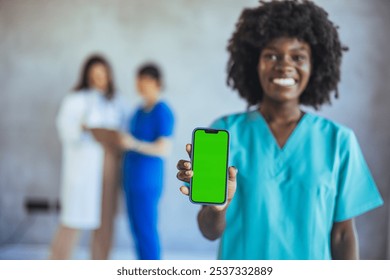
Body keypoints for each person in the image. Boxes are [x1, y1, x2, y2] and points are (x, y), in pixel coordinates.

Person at [176, 0, 384, 260]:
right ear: (254, 62)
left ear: (316, 66)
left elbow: (342, 235)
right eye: (271, 55)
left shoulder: (339, 141)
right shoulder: (226, 131)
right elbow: (209, 231)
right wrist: (218, 208)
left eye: (298, 57)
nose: (284, 65)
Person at [50, 54, 128, 259]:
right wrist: (83, 128)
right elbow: (66, 129)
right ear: (87, 76)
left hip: (109, 165)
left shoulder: (116, 101)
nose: (99, 79)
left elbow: (124, 131)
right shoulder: (75, 99)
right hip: (84, 166)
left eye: (102, 74)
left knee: (105, 222)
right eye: (94, 75)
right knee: (73, 219)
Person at [120, 63, 174, 260]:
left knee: (146, 231)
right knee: (136, 230)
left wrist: (133, 144)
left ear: (154, 82)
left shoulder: (162, 111)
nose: (138, 85)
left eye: (142, 80)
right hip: (131, 180)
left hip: (147, 181)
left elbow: (163, 148)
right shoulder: (138, 111)